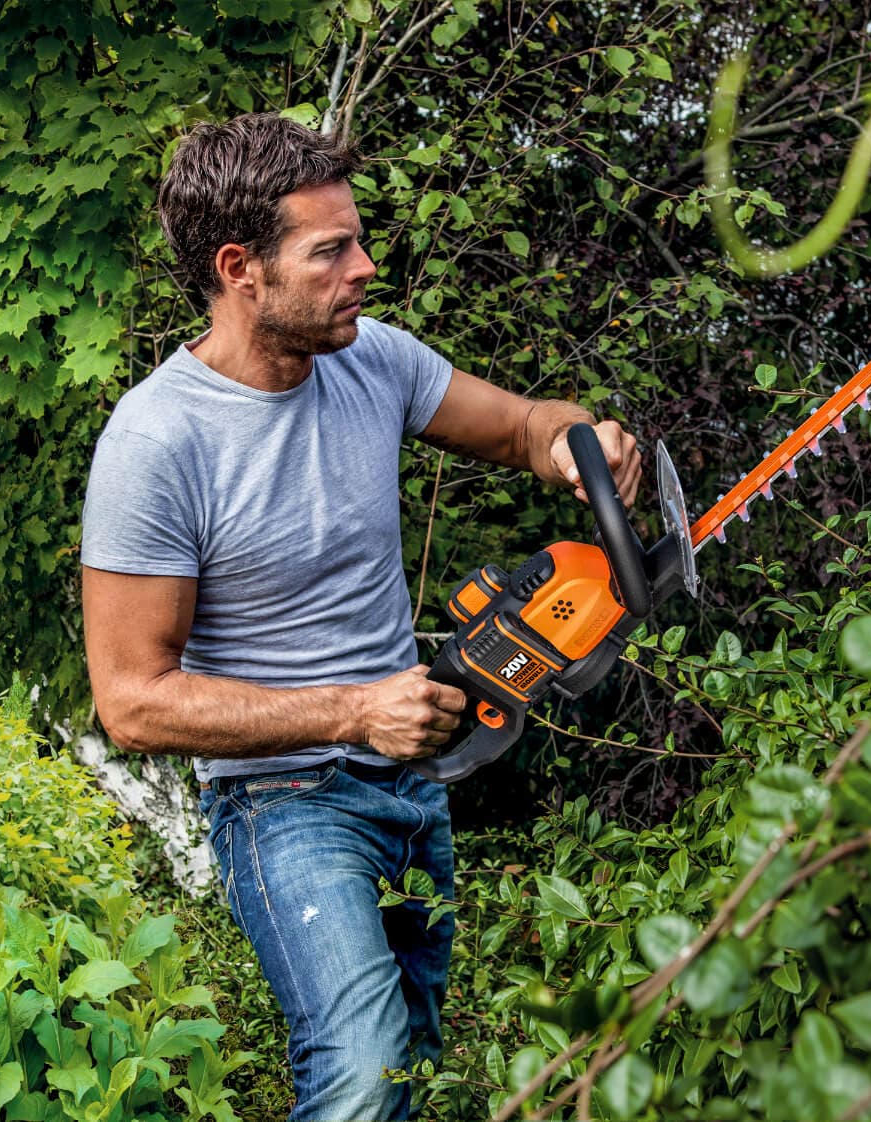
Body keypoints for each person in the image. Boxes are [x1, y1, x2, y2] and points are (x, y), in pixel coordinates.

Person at [79, 112, 642, 1121]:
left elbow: (520, 423)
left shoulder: (370, 360)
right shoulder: (157, 442)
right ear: (240, 267)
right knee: (362, 1066)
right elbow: (130, 703)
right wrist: (349, 712)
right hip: (282, 802)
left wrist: (573, 444)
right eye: (331, 250)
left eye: (358, 239)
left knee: (410, 1074)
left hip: (412, 780)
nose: (366, 266)